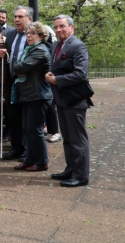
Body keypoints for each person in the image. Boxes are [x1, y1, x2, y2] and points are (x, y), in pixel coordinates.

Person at [45, 15, 91, 187]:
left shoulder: (78, 46)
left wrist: (58, 80)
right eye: (56, 27)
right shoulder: (56, 44)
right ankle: (71, 169)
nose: (58, 30)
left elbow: (80, 74)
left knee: (78, 139)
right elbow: (56, 66)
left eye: (62, 26)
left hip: (75, 99)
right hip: (61, 98)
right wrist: (51, 75)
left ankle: (81, 176)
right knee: (68, 138)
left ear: (72, 27)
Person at [12, 22, 53, 171]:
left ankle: (42, 162)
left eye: (32, 33)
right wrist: (20, 67)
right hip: (29, 94)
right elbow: (21, 67)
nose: (28, 36)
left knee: (35, 129)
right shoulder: (30, 49)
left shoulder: (40, 50)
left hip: (38, 95)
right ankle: (29, 159)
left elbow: (21, 67)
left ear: (41, 36)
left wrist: (18, 65)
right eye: (27, 33)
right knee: (27, 129)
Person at [0, 6, 32, 160]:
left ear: (29, 19)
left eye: (21, 17)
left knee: (28, 118)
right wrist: (2, 53)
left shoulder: (35, 35)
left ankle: (28, 149)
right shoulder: (11, 34)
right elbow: (7, 52)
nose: (17, 19)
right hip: (13, 82)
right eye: (15, 17)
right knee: (14, 116)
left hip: (30, 83)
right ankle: (16, 147)